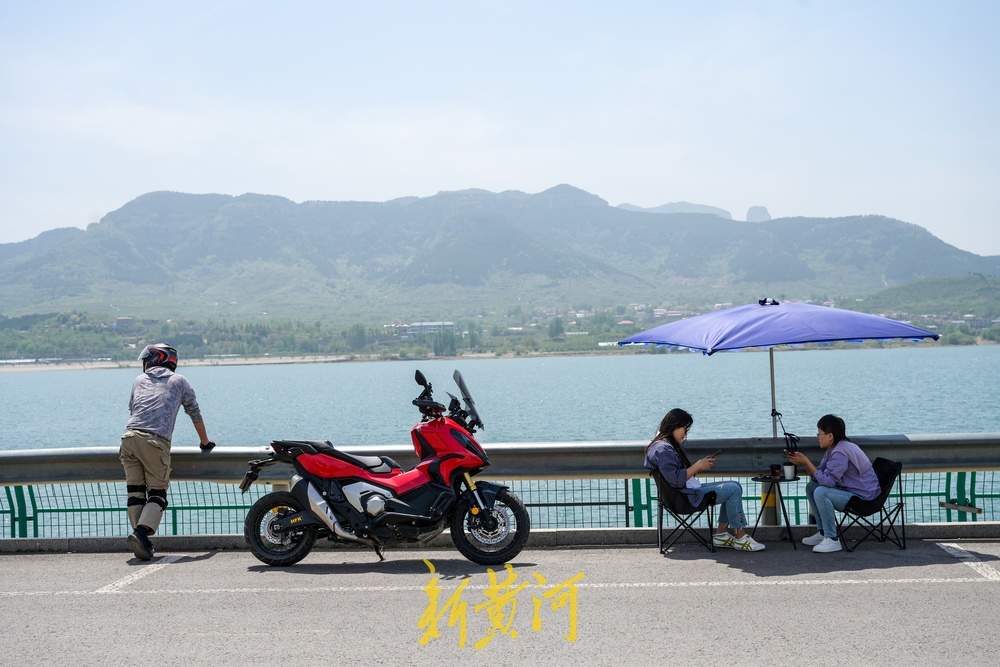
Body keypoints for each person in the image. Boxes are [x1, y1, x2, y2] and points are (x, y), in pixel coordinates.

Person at [120, 343, 215, 560]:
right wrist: (205, 442)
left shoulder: (138, 380)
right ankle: (141, 534)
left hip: (128, 438)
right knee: (158, 494)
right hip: (154, 441)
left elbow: (134, 409)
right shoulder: (179, 381)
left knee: (135, 492)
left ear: (155, 359)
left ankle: (141, 541)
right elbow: (194, 413)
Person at [644, 408, 765, 551]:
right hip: (685, 498)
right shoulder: (664, 450)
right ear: (674, 426)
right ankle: (739, 536)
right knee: (733, 489)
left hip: (681, 495)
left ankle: (721, 535)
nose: (686, 433)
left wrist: (697, 465)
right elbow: (676, 480)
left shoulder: (659, 445)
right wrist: (698, 466)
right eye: (685, 428)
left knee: (733, 486)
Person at [785, 414, 880, 554]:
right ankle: (823, 532)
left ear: (830, 436)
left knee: (821, 492)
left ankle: (832, 539)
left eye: (820, 433)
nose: (818, 436)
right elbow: (820, 475)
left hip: (863, 499)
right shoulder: (834, 449)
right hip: (852, 491)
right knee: (812, 487)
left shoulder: (840, 452)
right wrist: (803, 462)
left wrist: (806, 462)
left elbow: (828, 482)